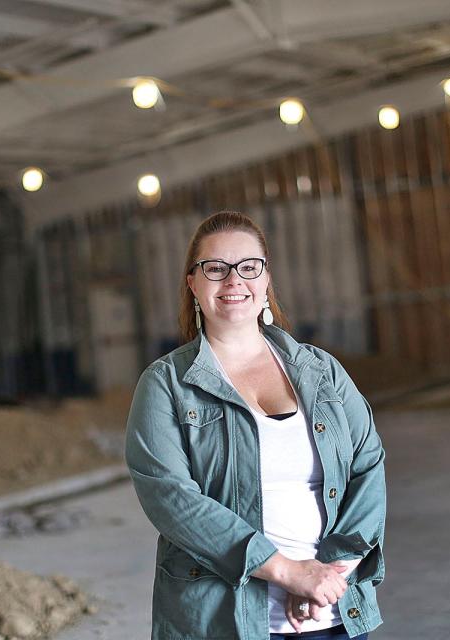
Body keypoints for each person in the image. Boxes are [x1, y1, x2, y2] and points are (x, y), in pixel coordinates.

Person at [125, 211, 386, 640]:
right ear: (193, 282)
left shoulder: (321, 371)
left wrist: (327, 575)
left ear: (265, 280)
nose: (233, 281)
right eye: (215, 268)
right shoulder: (166, 384)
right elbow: (171, 498)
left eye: (248, 267)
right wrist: (288, 573)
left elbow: (368, 465)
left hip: (333, 611)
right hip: (222, 620)